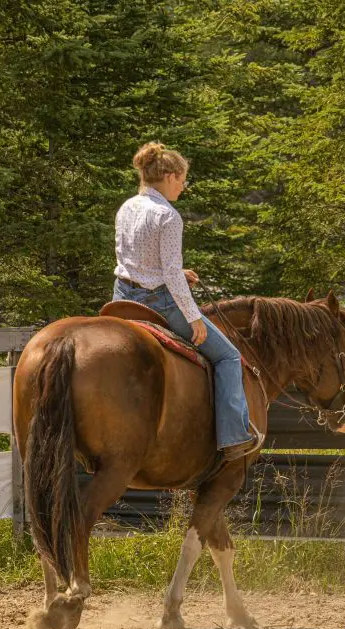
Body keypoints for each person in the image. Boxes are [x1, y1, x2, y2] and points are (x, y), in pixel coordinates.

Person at [111, 141, 263, 461]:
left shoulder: (127, 206)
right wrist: (194, 317)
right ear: (167, 175)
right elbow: (169, 275)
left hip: (122, 297)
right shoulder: (168, 215)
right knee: (228, 357)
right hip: (158, 302)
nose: (183, 185)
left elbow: (134, 258)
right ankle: (235, 437)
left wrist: (177, 271)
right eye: (181, 178)